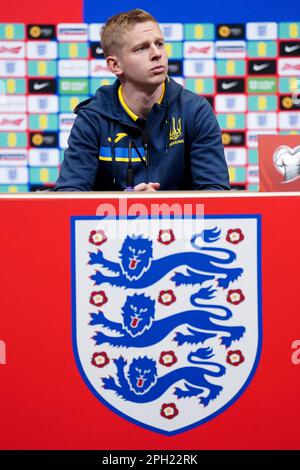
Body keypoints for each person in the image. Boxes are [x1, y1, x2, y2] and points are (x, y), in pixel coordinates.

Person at [54, 9, 230, 192]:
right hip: (111, 220)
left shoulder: (194, 112)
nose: (156, 53)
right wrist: (125, 206)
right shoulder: (93, 118)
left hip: (179, 219)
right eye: (142, 48)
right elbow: (68, 196)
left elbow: (215, 192)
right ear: (115, 65)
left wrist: (161, 207)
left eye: (159, 44)